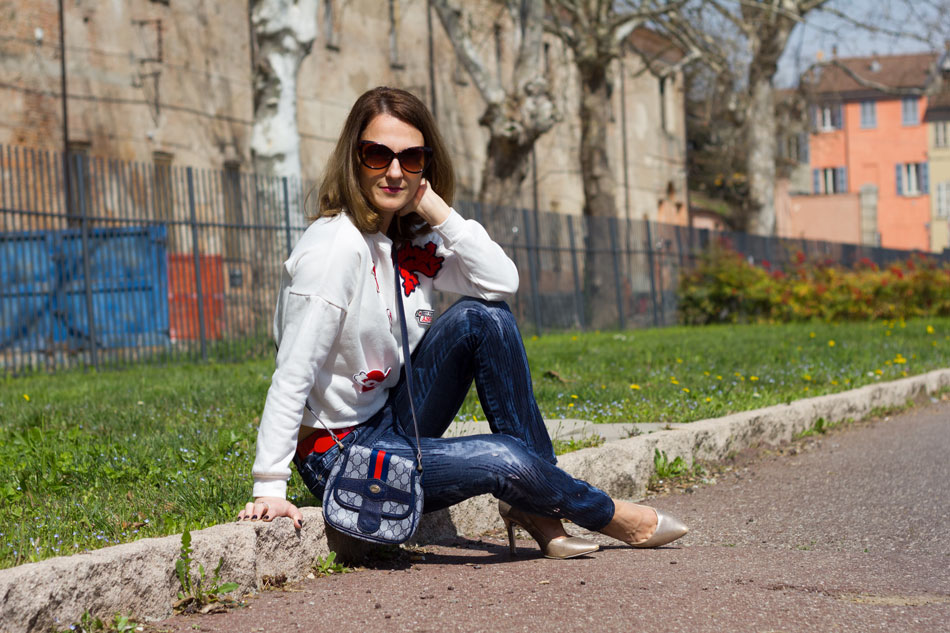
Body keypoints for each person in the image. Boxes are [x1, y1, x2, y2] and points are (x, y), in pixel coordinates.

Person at [237, 86, 688, 557]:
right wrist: (269, 486)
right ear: (354, 159)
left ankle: (536, 507)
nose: (394, 171)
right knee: (503, 458)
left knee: (483, 317)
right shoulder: (333, 250)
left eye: (412, 158)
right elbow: (293, 372)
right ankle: (609, 515)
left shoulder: (407, 242)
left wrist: (436, 210)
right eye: (378, 154)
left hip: (392, 417)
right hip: (341, 452)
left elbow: (501, 281)